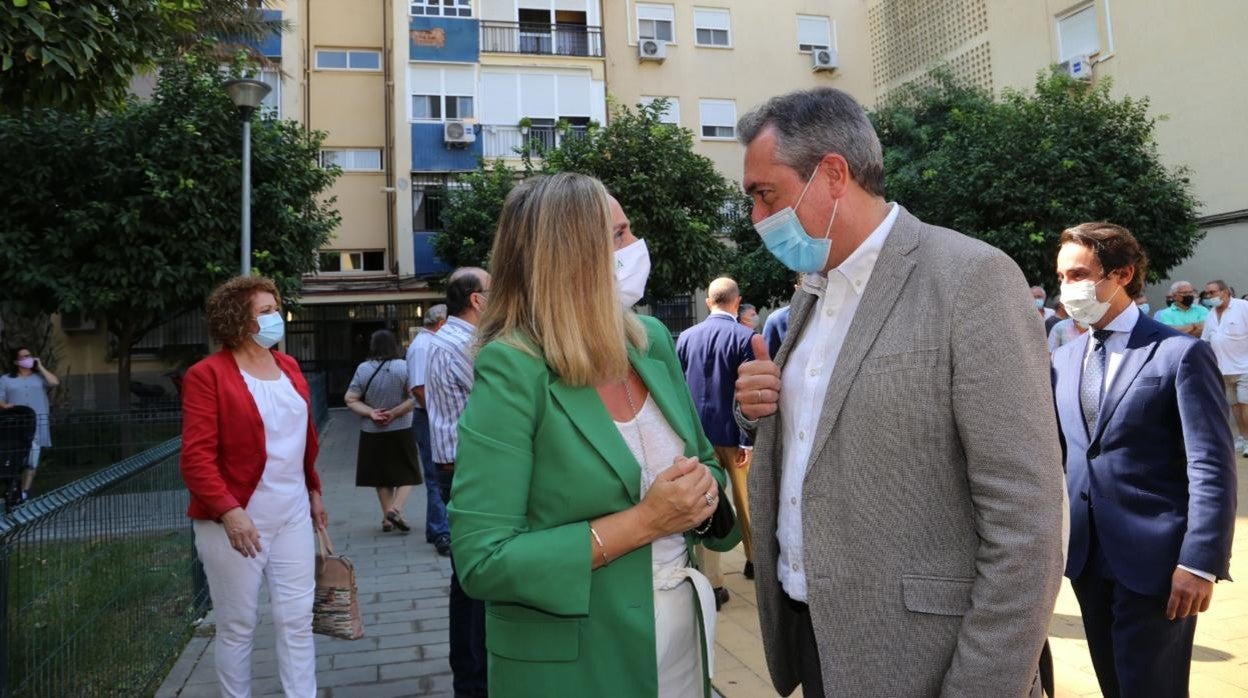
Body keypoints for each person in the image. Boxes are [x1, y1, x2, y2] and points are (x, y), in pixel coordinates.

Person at [732, 88, 1064, 697]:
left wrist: (982, 687)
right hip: (818, 641)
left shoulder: (970, 279)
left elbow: (1028, 522)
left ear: (832, 174)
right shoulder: (813, 289)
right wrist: (759, 407)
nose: (757, 218)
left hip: (923, 656)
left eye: (765, 195)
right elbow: (830, 434)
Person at [448, 173, 738, 698]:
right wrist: (645, 521)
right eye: (618, 236)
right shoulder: (512, 367)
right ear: (570, 257)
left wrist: (704, 493)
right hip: (577, 667)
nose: (634, 249)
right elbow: (482, 559)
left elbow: (703, 463)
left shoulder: (649, 341)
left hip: (682, 652)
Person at [1051, 223, 1236, 698]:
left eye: (1078, 275)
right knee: (1113, 684)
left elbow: (1211, 466)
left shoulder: (1179, 354)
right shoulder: (1065, 360)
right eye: (1061, 277)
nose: (1067, 288)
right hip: (1087, 558)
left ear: (1123, 274)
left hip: (1158, 564)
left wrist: (1200, 562)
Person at [179, 276, 328, 698]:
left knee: (297, 619)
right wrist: (229, 512)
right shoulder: (206, 375)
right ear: (236, 321)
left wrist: (314, 490)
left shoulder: (290, 367)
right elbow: (195, 458)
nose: (275, 317)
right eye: (264, 312)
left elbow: (303, 440)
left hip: (293, 512)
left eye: (275, 308)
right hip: (236, 520)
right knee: (237, 625)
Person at [427, 266, 490, 698]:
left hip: (454, 468)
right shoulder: (463, 346)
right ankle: (475, 682)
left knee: (466, 582)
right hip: (468, 471)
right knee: (478, 583)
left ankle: (469, 678)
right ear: (476, 300)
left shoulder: (443, 339)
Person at [676, 277, 759, 603]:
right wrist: (746, 440)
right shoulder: (746, 337)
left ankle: (710, 578)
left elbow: (679, 390)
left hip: (698, 438)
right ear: (737, 303)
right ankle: (754, 561)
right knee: (746, 502)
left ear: (709, 302)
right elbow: (748, 395)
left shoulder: (685, 337)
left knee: (703, 504)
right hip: (735, 436)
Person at [346, 329, 421, 533]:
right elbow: (414, 397)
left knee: (381, 476)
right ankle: (395, 509)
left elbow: (350, 399)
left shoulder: (363, 368)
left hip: (372, 431)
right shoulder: (404, 367)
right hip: (401, 427)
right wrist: (395, 413)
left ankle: (387, 517)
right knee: (409, 473)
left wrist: (372, 413)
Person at [407, 304, 452, 556]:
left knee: (436, 475)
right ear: (441, 323)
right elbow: (418, 387)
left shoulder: (426, 344)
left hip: (427, 415)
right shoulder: (424, 346)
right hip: (427, 417)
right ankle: (440, 530)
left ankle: (435, 527)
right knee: (436, 475)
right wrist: (438, 415)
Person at [0, 347, 59, 500]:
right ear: (16, 361)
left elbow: (54, 382)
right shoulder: (6, 379)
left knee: (32, 461)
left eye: (30, 355)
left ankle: (24, 493)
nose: (29, 358)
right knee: (15, 460)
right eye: (25, 356)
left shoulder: (39, 377)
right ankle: (13, 490)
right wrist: (4, 405)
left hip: (37, 425)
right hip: (16, 427)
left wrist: (39, 366)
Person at [1202, 279, 1248, 457]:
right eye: (1207, 293)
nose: (1209, 296)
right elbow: (1205, 340)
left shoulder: (1243, 306)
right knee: (1235, 406)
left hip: (1245, 367)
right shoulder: (1211, 313)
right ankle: (1243, 438)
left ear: (1226, 291)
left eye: (1212, 292)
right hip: (1222, 369)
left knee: (1245, 405)